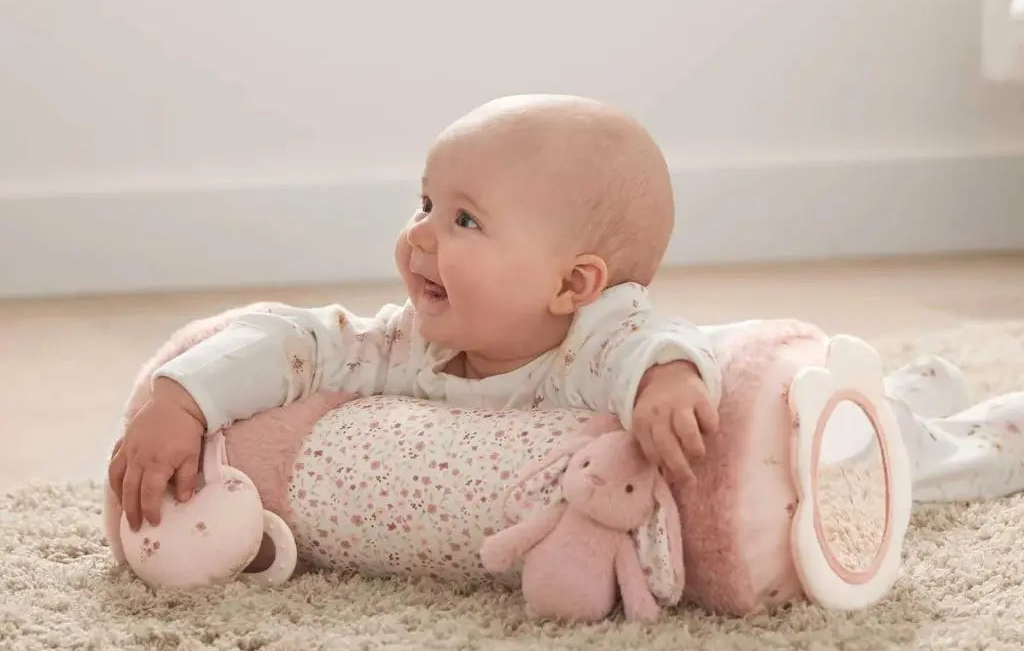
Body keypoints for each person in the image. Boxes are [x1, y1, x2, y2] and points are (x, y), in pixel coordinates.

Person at [109, 94, 1024, 534]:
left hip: (764, 420)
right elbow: (294, 339)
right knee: (885, 416)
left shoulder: (602, 339)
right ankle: (915, 383)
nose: (420, 237)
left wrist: (668, 382)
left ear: (573, 287)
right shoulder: (408, 343)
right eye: (424, 202)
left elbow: (653, 345)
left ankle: (976, 429)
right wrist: (184, 397)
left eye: (463, 220)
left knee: (878, 465)